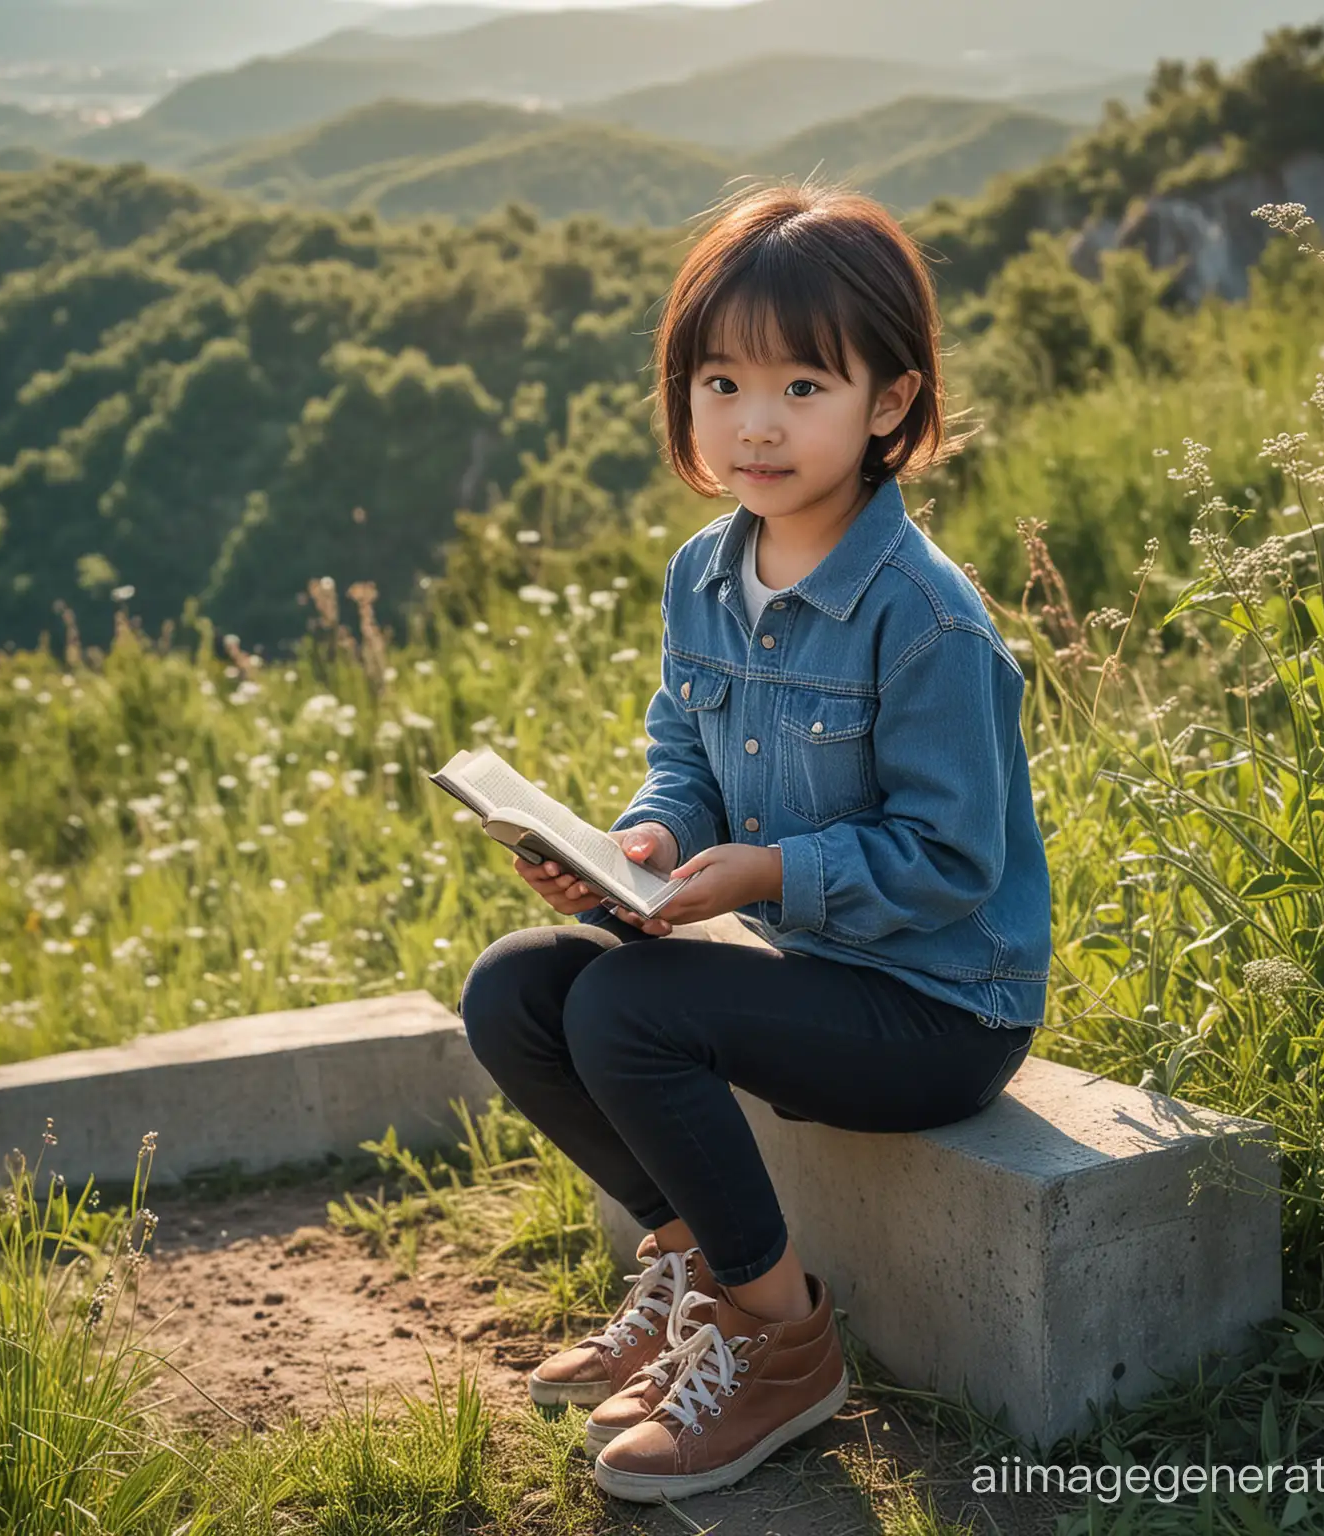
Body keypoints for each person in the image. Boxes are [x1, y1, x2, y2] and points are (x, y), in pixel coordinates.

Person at [457, 180, 1053, 1504]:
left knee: (625, 1009)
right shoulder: (702, 576)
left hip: (940, 1008)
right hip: (812, 968)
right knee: (517, 985)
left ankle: (782, 1343)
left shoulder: (927, 621)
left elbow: (954, 863)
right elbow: (689, 754)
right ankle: (689, 1275)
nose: (755, 423)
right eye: (721, 382)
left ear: (889, 404)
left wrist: (772, 875)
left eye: (801, 386)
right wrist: (646, 841)